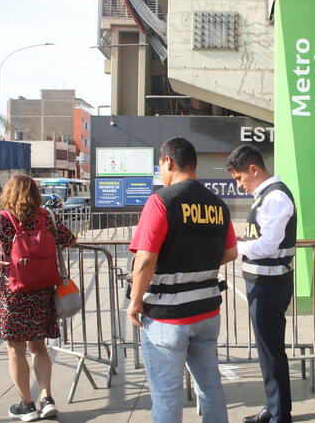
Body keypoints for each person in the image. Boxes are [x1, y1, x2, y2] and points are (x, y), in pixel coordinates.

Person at [127, 137, 237, 423]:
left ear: (168, 162)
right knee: (211, 389)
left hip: (168, 318)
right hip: (207, 313)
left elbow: (145, 259)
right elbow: (231, 252)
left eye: (160, 167)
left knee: (166, 396)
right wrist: (199, 263)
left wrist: (135, 301)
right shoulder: (217, 204)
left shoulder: (161, 201)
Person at [0, 174, 75, 421]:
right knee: (39, 347)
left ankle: (26, 405)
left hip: (13, 293)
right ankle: (46, 399)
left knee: (16, 351)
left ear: (9, 194)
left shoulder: (3, 221)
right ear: (35, 193)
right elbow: (69, 239)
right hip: (42, 292)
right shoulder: (47, 217)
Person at [225, 145, 296, 423]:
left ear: (253, 169)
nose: (239, 185)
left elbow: (268, 244)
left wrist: (235, 248)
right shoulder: (264, 195)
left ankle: (280, 415)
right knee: (267, 352)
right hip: (262, 284)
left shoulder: (275, 196)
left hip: (270, 285)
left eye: (240, 178)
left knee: (271, 352)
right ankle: (274, 408)